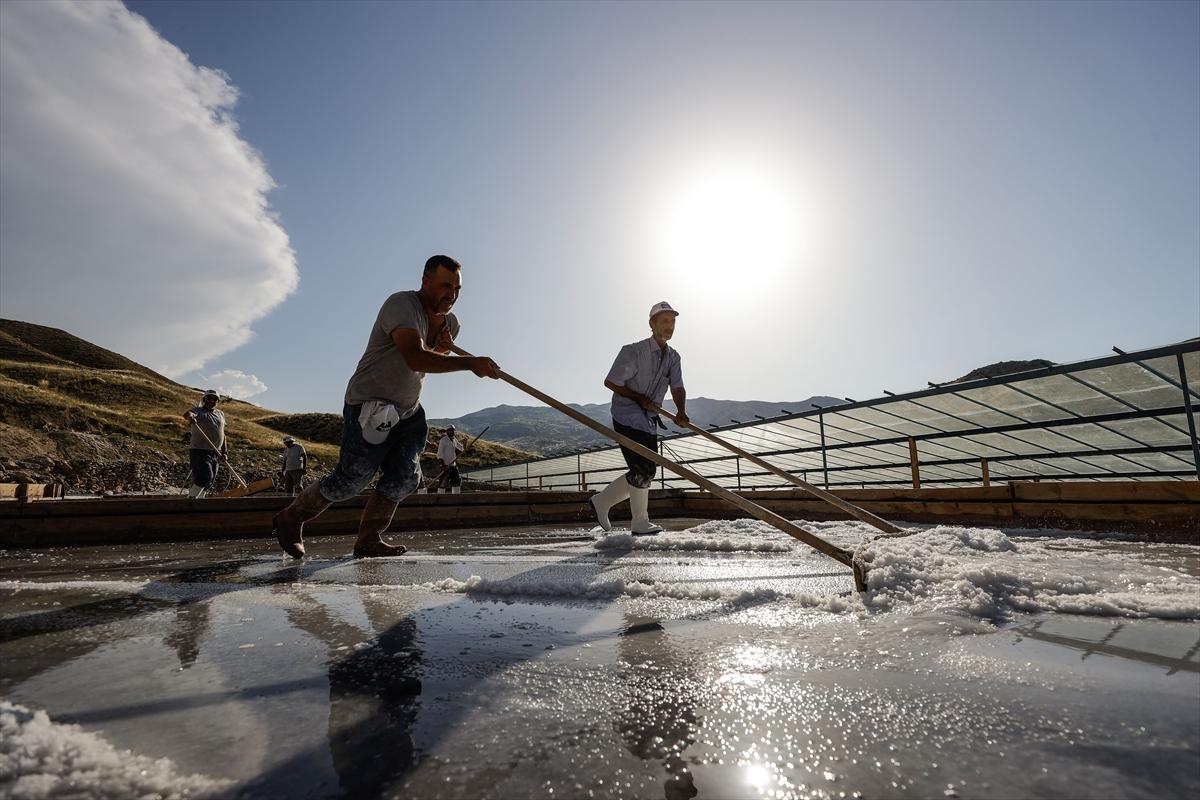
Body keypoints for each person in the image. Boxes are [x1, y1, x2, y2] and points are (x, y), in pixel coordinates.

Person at [271, 254, 500, 559]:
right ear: (425, 281)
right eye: (445, 286)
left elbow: (432, 359)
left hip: (407, 410)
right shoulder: (401, 305)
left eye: (457, 289)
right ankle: (291, 517)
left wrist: (443, 347)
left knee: (406, 477)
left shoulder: (451, 324)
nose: (452, 295)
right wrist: (470, 363)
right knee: (351, 479)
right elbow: (416, 358)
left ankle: (368, 539)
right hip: (369, 404)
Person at [590, 302, 688, 535]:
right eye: (664, 321)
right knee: (644, 468)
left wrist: (681, 411)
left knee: (645, 469)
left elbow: (677, 387)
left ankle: (602, 502)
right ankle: (639, 521)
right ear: (652, 324)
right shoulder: (634, 351)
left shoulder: (673, 357)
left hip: (649, 418)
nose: (669, 325)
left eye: (672, 321)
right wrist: (638, 397)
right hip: (626, 415)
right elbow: (611, 381)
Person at [182, 389, 227, 498]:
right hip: (199, 451)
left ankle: (199, 503)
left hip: (216, 453)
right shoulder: (198, 410)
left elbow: (223, 434)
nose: (212, 401)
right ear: (204, 399)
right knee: (205, 477)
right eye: (209, 398)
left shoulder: (220, 414)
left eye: (214, 399)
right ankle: (190, 501)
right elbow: (187, 414)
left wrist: (225, 452)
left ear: (218, 401)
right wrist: (190, 417)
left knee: (209, 482)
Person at [435, 425, 465, 493]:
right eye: (450, 430)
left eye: (453, 430)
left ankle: (456, 496)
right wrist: (443, 465)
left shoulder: (454, 440)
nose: (452, 431)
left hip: (453, 465)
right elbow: (439, 455)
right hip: (445, 465)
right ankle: (440, 497)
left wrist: (465, 441)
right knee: (443, 483)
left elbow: (462, 449)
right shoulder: (443, 440)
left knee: (456, 481)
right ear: (447, 431)